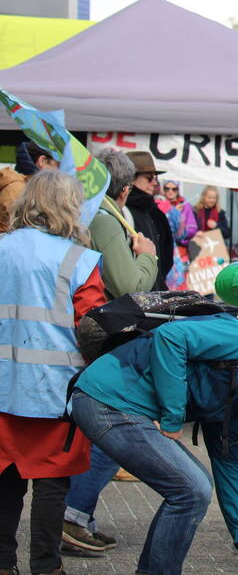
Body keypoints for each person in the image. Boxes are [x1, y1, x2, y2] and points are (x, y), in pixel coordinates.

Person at [70, 313, 238, 575]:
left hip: (118, 405)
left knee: (192, 488)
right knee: (192, 488)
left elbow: (230, 467)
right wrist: (173, 418)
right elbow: (171, 336)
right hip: (106, 400)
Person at [0, 171, 105, 575]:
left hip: (5, 389)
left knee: (6, 479)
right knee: (51, 484)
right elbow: (92, 329)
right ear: (68, 205)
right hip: (54, 393)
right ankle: (46, 567)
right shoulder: (78, 259)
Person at [60, 149, 160, 557]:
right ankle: (74, 515)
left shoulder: (88, 213)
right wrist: (147, 256)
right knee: (113, 427)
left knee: (95, 426)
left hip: (85, 333)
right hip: (106, 336)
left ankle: (77, 515)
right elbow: (129, 285)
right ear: (123, 188)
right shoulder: (105, 219)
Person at [124, 151, 174, 291]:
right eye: (149, 178)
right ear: (131, 179)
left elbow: (167, 258)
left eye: (155, 178)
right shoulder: (121, 210)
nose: (154, 182)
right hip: (136, 292)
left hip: (154, 289)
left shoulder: (156, 214)